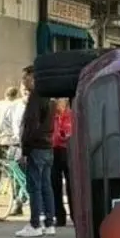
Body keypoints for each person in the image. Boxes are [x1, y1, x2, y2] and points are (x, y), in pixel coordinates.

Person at [16, 66, 56, 238]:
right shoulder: (50, 97)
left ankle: (35, 224)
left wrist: (25, 149)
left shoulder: (36, 97)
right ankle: (49, 222)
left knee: (34, 187)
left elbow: (30, 125)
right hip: (47, 146)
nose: (24, 82)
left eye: (26, 78)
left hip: (36, 147)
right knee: (47, 186)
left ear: (34, 78)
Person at [50, 97, 73, 227]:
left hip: (67, 150)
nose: (59, 102)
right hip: (53, 150)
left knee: (71, 185)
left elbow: (71, 132)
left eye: (62, 99)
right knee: (55, 184)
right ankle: (60, 216)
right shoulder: (52, 115)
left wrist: (65, 136)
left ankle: (75, 215)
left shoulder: (71, 115)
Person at [0, 86, 22, 159]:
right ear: (16, 95)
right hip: (12, 142)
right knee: (12, 168)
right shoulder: (17, 105)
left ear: (5, 95)